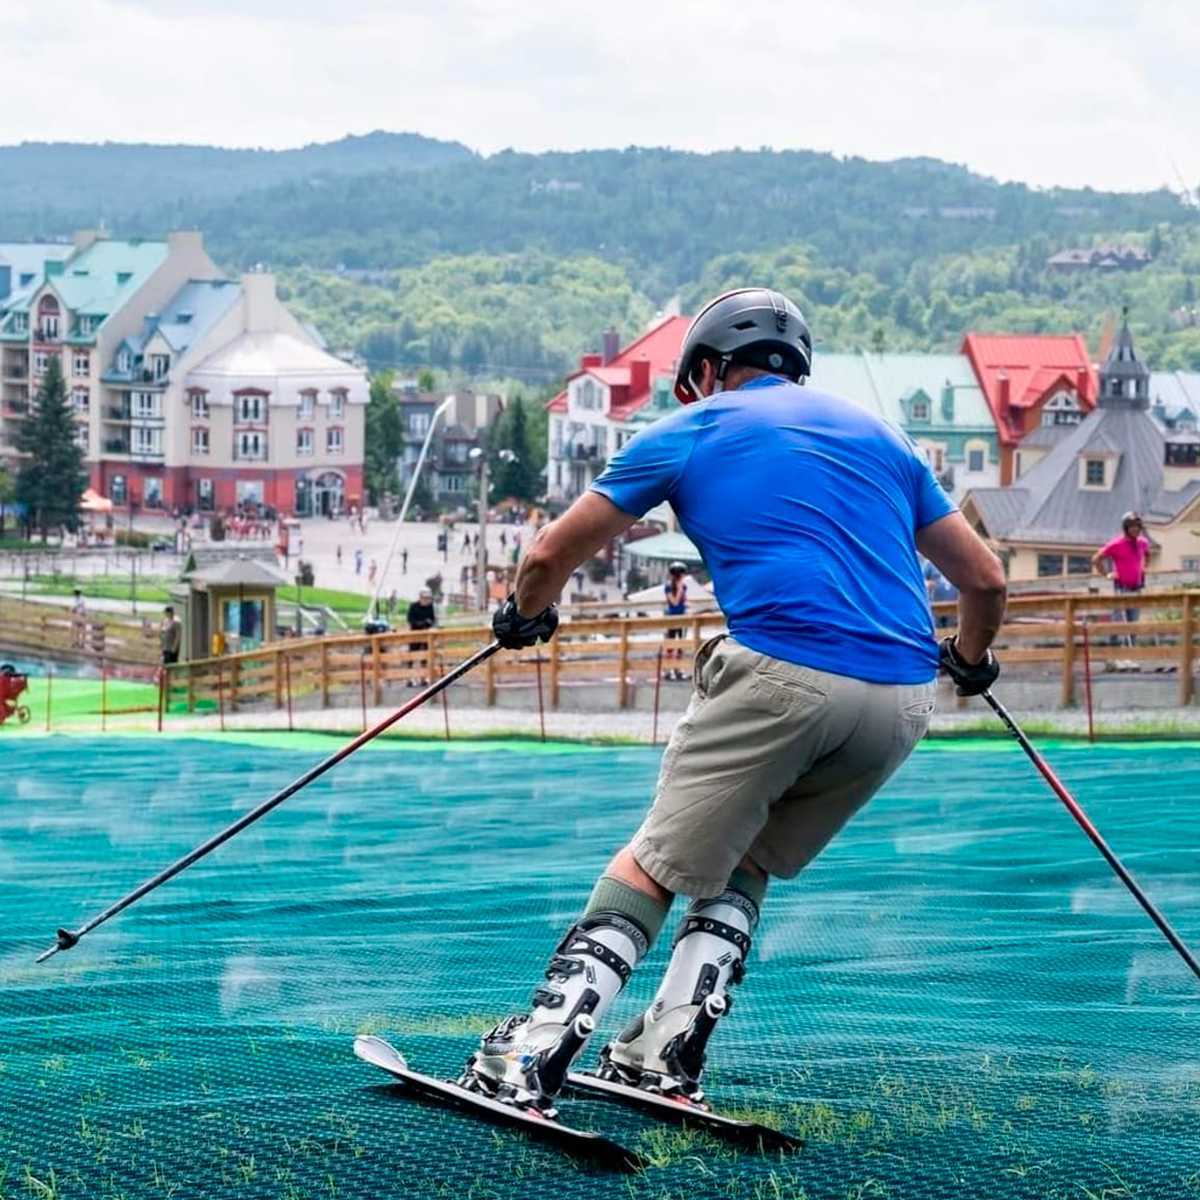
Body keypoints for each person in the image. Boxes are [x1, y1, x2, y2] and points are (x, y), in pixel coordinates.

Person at [460, 287, 1006, 1115]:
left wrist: (524, 615)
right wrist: (968, 658)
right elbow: (985, 580)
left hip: (784, 674)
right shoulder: (883, 438)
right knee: (745, 856)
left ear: (710, 369)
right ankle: (662, 1051)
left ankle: (532, 1052)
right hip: (900, 703)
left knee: (654, 860)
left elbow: (549, 554)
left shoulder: (691, 428)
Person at [1092, 512, 1151, 626]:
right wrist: (1107, 574)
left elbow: (1148, 554)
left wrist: (1144, 567)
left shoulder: (1143, 542)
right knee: (1120, 624)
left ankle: (1131, 638)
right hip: (1121, 589)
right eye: (1132, 526)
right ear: (1126, 528)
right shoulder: (1117, 544)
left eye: (1137, 526)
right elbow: (1096, 559)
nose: (1135, 529)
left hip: (1137, 589)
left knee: (1133, 624)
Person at [662, 561, 689, 681]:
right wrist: (679, 589)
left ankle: (678, 669)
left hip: (682, 617)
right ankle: (668, 670)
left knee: (681, 644)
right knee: (671, 644)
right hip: (672, 618)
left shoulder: (683, 586)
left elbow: (684, 601)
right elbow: (674, 602)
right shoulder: (669, 587)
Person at [406, 587, 437, 687]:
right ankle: (409, 678)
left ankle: (423, 678)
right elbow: (410, 620)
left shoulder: (430, 607)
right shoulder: (413, 606)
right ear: (420, 598)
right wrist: (421, 623)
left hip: (427, 634)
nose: (426, 600)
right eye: (425, 598)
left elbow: (433, 619)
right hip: (415, 634)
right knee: (411, 656)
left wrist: (430, 623)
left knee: (425, 656)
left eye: (428, 598)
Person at [160, 605, 182, 670]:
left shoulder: (176, 622)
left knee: (172, 666)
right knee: (165, 665)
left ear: (171, 612)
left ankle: (172, 676)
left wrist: (174, 648)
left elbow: (178, 636)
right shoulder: (165, 621)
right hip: (165, 647)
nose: (166, 614)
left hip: (171, 648)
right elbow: (162, 631)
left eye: (167, 612)